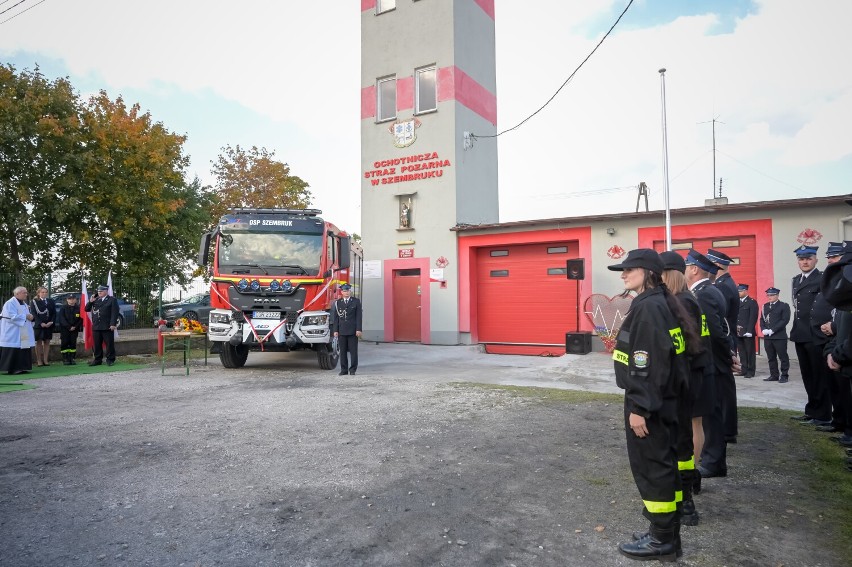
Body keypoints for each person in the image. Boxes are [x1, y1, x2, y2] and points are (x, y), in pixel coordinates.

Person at [608, 249, 694, 561]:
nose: (623, 275)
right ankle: (664, 533)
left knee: (653, 469)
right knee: (664, 467)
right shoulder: (660, 303)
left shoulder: (649, 307)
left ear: (648, 272)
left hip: (649, 404)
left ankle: (662, 542)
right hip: (665, 401)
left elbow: (646, 362)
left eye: (629, 269)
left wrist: (639, 408)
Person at [660, 251, 710, 528]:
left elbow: (686, 347)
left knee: (685, 434)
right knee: (688, 430)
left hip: (688, 376)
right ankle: (689, 481)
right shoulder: (686, 299)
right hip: (693, 374)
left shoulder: (682, 302)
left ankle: (687, 492)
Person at [683, 249, 734, 478]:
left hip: (713, 363)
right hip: (715, 362)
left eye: (686, 266)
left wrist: (725, 360)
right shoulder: (708, 291)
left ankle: (713, 462)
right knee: (710, 413)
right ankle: (711, 458)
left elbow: (713, 333)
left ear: (694, 269)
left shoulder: (703, 294)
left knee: (712, 415)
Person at [790, 245, 832, 425]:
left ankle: (822, 414)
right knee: (807, 374)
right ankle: (812, 409)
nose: (804, 262)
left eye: (808, 258)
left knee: (818, 375)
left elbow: (826, 306)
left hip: (815, 334)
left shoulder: (822, 278)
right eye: (801, 259)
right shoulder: (796, 280)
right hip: (800, 333)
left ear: (815, 259)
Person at [814, 242, 850, 436]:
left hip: (843, 341)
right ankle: (839, 422)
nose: (831, 261)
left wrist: (834, 326)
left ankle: (847, 427)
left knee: (845, 388)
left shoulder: (845, 280)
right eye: (829, 258)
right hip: (833, 342)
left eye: (835, 257)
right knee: (835, 386)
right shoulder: (833, 279)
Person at [0, 286, 35, 375]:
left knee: (24, 348)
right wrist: (25, 316)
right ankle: (13, 368)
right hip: (13, 331)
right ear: (17, 293)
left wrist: (30, 317)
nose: (26, 295)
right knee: (14, 349)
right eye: (24, 293)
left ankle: (23, 367)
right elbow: (9, 317)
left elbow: (26, 314)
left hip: (23, 330)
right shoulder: (10, 303)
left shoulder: (23, 303)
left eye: (26, 293)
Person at [330, 283, 362, 376]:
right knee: (342, 351)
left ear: (350, 291)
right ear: (341, 292)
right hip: (342, 330)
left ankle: (352, 369)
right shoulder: (337, 303)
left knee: (353, 351)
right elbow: (335, 318)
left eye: (348, 290)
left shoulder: (356, 301)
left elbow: (359, 316)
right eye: (344, 291)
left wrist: (358, 329)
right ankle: (344, 370)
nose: (346, 292)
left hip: (353, 330)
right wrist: (335, 330)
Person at [760, 287, 791, 383]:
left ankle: (784, 375)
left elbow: (784, 320)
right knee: (771, 357)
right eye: (768, 295)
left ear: (777, 295)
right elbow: (762, 319)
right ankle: (774, 375)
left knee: (783, 357)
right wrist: (763, 329)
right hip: (768, 337)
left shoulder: (783, 306)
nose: (769, 297)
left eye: (772, 295)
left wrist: (773, 330)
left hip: (779, 336)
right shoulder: (765, 306)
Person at [85, 285, 119, 366]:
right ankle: (97, 359)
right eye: (98, 291)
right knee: (96, 344)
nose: (99, 293)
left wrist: (113, 324)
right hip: (96, 326)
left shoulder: (111, 300)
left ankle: (110, 359)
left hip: (107, 326)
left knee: (109, 344)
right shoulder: (96, 300)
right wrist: (90, 301)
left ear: (106, 291)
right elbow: (86, 309)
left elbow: (114, 312)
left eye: (101, 291)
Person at [736, 284, 759, 378]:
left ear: (746, 291)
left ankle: (751, 371)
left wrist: (749, 330)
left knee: (750, 352)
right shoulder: (737, 302)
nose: (739, 293)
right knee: (741, 352)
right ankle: (744, 370)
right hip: (739, 331)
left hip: (747, 332)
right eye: (738, 291)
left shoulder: (751, 302)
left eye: (740, 291)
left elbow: (752, 318)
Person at [30, 286, 57, 366]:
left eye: (45, 292)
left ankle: (45, 360)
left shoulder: (51, 301)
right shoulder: (34, 301)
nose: (44, 294)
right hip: (39, 325)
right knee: (38, 342)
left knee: (47, 341)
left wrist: (51, 322)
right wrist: (41, 323)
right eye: (42, 292)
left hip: (49, 324)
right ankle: (39, 361)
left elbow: (54, 313)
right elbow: (34, 313)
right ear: (38, 293)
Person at [56, 293, 82, 365]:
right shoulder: (63, 308)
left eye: (73, 299)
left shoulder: (78, 308)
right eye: (70, 299)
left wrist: (75, 327)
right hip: (65, 329)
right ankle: (65, 358)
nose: (71, 300)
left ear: (76, 300)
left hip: (74, 330)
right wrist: (69, 327)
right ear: (67, 300)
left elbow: (80, 319)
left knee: (73, 344)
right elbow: (62, 319)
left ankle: (72, 358)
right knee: (65, 343)